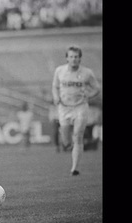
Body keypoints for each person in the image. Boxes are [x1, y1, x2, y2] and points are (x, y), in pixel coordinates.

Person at [52, 45, 101, 176]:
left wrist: (89, 96)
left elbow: (97, 88)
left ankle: (74, 168)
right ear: (67, 58)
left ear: (80, 59)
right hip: (64, 107)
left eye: (76, 57)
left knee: (78, 136)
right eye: (71, 57)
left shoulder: (87, 73)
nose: (74, 59)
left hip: (80, 107)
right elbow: (55, 86)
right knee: (67, 142)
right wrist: (56, 97)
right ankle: (64, 135)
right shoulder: (59, 71)